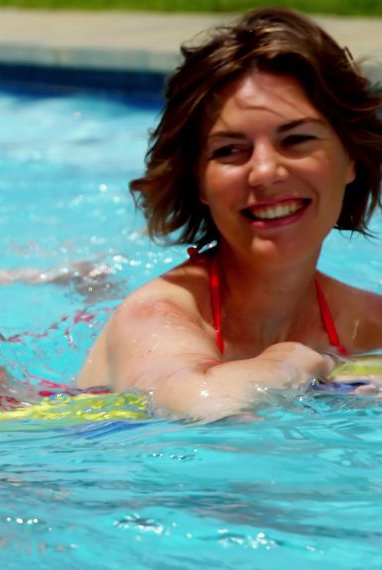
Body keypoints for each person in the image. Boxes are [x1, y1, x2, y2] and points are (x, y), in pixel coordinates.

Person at [76, 8, 382, 419]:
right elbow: (205, 405)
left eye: (296, 139)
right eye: (229, 150)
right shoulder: (154, 319)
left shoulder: (369, 323)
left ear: (351, 160)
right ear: (199, 182)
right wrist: (302, 361)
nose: (265, 172)